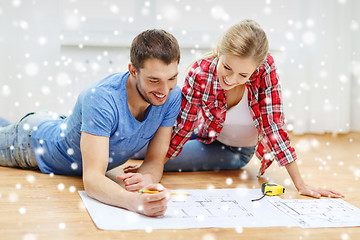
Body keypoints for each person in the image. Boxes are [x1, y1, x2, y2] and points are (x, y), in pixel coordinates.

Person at [131, 20, 343, 199]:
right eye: (227, 68)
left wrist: (301, 184)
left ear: (256, 69)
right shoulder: (201, 72)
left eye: (243, 75)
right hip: (203, 129)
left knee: (150, 154)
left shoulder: (266, 71)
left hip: (232, 150)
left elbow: (273, 127)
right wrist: (153, 165)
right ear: (219, 53)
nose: (231, 80)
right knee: (141, 147)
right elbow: (184, 126)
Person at [0, 29, 182, 217]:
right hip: (30, 143)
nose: (164, 90)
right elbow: (93, 179)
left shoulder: (172, 96)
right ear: (133, 71)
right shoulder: (101, 98)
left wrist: (148, 178)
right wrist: (134, 202)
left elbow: (155, 160)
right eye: (154, 80)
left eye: (172, 78)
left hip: (58, 124)